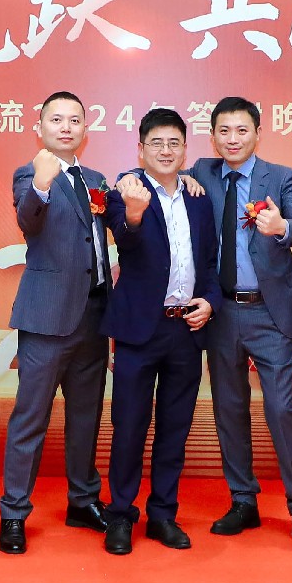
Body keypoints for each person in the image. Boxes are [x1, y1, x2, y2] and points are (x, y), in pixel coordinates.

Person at [188, 95, 292, 550]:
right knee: (229, 408)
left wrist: (281, 227)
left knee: (281, 408)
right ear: (213, 136)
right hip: (221, 311)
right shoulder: (202, 172)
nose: (233, 139)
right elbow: (158, 174)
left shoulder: (280, 177)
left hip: (270, 311)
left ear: (257, 133)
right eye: (224, 131)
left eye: (241, 130)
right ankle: (243, 500)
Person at [0, 91, 114, 554]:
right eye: (57, 120)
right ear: (40, 128)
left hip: (94, 317)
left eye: (74, 120)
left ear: (85, 129)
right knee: (31, 418)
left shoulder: (96, 179)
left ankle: (83, 501)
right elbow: (29, 221)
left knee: (86, 417)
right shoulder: (29, 173)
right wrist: (42, 185)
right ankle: (13, 512)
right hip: (47, 319)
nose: (66, 128)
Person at [100, 108, 219, 555]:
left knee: (175, 427)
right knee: (129, 425)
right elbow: (125, 242)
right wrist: (134, 214)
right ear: (140, 149)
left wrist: (210, 301)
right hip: (138, 330)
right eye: (156, 143)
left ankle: (163, 514)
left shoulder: (198, 197)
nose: (166, 151)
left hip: (185, 328)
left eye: (174, 143)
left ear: (185, 149)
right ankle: (121, 514)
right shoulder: (124, 190)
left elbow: (210, 261)